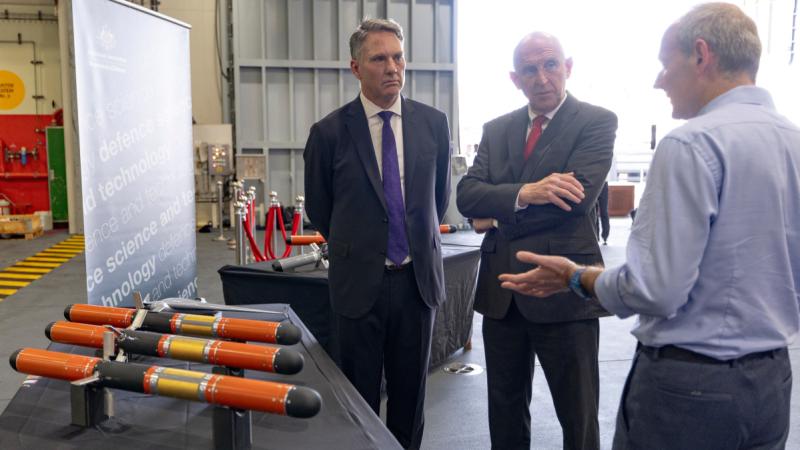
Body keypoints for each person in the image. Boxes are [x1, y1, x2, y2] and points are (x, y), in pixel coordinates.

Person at [499, 3, 799, 449]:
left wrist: (576, 276)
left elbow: (656, 289)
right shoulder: (792, 141)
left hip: (688, 388)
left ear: (701, 55)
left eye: (665, 64)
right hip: (772, 383)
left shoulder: (692, 144)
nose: (660, 80)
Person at [456, 31, 617, 449]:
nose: (541, 77)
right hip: (502, 292)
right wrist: (525, 193)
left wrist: (493, 214)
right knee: (505, 411)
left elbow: (575, 201)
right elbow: (465, 196)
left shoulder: (596, 122)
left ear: (567, 67)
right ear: (516, 78)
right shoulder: (497, 129)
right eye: (530, 69)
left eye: (550, 65)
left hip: (564, 289)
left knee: (577, 416)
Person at [303, 18, 451, 450]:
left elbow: (437, 201)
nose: (392, 67)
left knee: (411, 400)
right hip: (358, 286)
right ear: (355, 67)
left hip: (416, 283)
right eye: (379, 58)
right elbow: (321, 210)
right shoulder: (328, 133)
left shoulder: (433, 125)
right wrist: (364, 246)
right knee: (358, 400)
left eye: (398, 57)